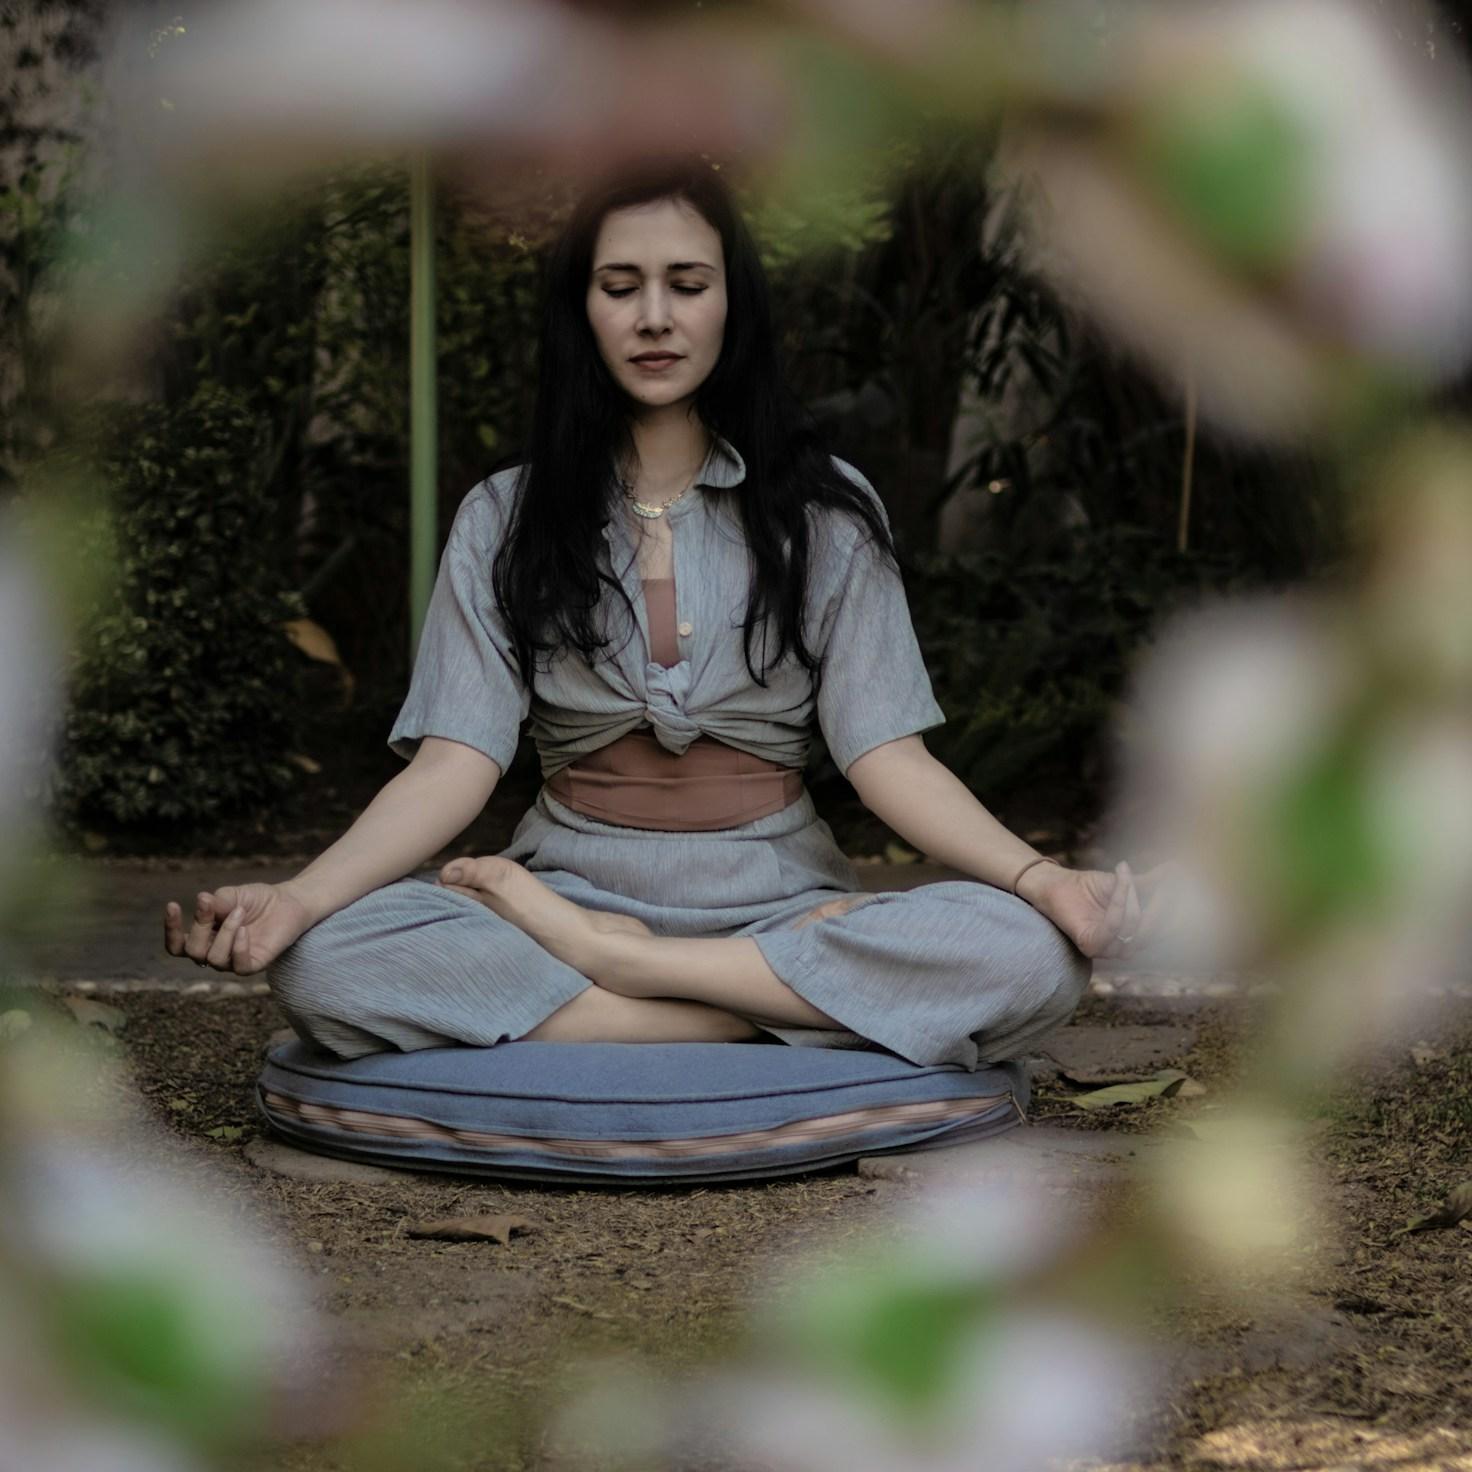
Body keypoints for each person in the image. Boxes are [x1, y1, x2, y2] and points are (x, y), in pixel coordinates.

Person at [163, 158, 1163, 1067]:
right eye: (619, 286)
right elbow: (450, 765)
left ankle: (637, 978)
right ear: (581, 311)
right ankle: (753, 1008)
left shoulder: (824, 512)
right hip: (560, 895)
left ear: (732, 304)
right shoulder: (501, 517)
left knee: (1031, 955)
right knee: (322, 962)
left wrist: (1043, 884)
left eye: (686, 284)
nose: (654, 317)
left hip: (780, 904)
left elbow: (887, 757)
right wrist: (294, 899)